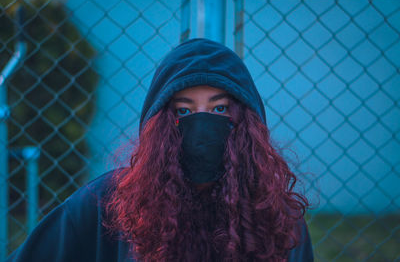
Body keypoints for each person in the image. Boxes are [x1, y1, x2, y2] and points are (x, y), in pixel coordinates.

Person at [7, 38, 313, 262]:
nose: (202, 123)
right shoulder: (106, 205)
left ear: (247, 121)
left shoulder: (276, 217)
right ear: (159, 126)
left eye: (220, 108)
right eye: (183, 111)